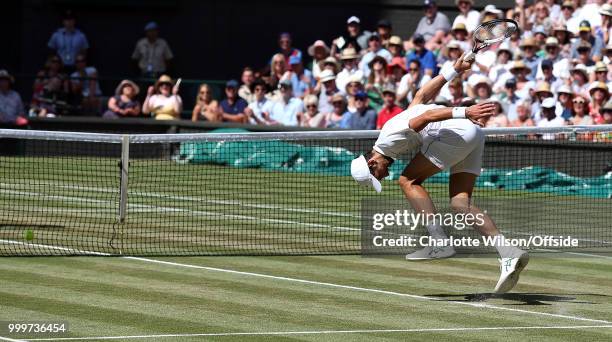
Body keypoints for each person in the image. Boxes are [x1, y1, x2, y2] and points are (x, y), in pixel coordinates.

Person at [350, 53, 529, 293]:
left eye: (376, 175)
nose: (381, 177)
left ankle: (439, 241)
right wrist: (454, 70)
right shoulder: (391, 136)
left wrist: (465, 112)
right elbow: (421, 97)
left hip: (458, 129)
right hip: (473, 135)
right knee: (460, 204)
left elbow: (426, 116)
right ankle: (508, 252)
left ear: (372, 163)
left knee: (407, 180)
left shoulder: (389, 137)